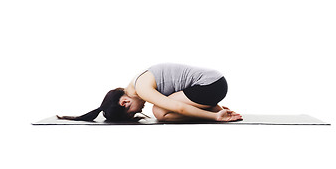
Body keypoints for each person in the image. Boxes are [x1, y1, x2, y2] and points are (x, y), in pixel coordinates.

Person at [57, 63, 242, 122]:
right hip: (213, 84)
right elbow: (179, 99)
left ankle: (213, 112)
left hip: (210, 85)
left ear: (125, 103)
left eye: (132, 112)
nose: (139, 110)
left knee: (159, 112)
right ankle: (211, 108)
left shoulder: (142, 88)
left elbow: (179, 107)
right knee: (161, 109)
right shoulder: (138, 82)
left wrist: (216, 117)